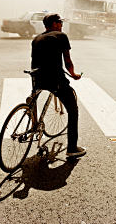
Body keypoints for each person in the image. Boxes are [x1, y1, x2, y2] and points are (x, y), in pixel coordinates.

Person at [31, 13, 86, 157]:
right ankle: (72, 148)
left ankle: (32, 122)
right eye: (60, 22)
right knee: (73, 110)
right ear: (55, 24)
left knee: (34, 98)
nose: (61, 25)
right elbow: (67, 60)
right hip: (55, 80)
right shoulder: (61, 36)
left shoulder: (36, 38)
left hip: (38, 79)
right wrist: (73, 74)